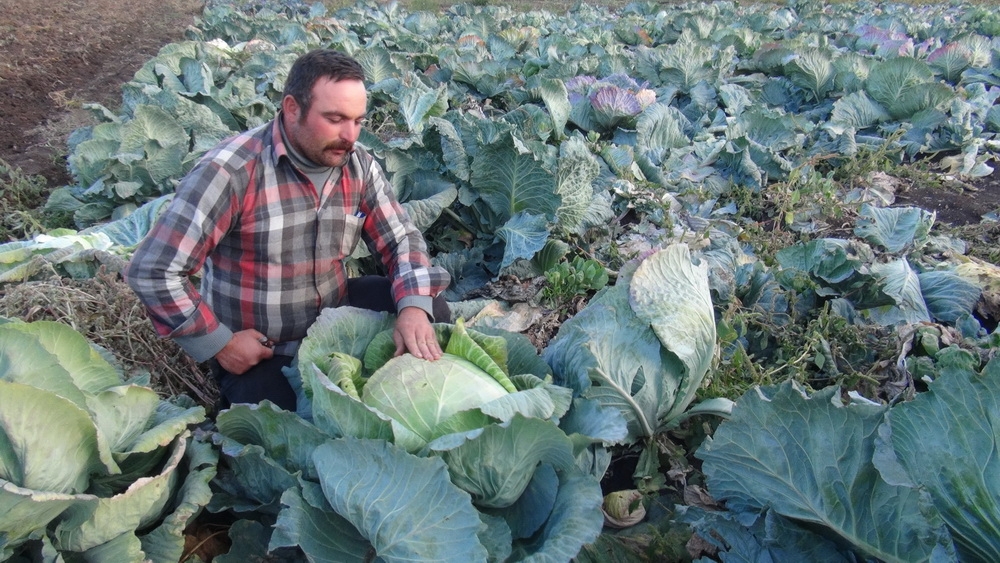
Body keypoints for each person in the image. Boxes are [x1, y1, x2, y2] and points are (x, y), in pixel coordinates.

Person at [124, 49, 451, 412]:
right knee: (288, 430)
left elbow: (401, 239)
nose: (350, 135)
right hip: (264, 349)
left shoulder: (357, 164)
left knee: (425, 303)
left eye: (358, 121)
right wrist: (219, 343)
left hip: (336, 321)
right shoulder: (231, 173)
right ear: (292, 108)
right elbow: (153, 270)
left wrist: (412, 310)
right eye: (335, 119)